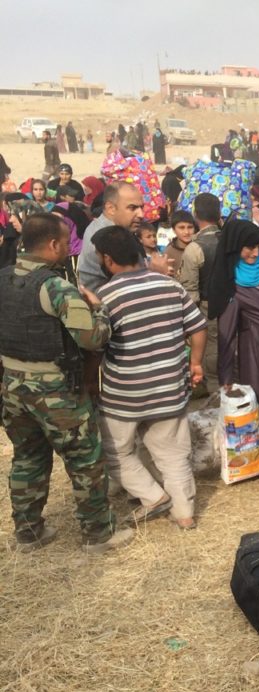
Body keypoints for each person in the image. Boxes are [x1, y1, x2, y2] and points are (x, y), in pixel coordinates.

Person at [0, 214, 133, 553]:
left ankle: (28, 532)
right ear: (55, 245)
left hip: (11, 385)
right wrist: (99, 310)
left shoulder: (2, 279)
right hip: (56, 392)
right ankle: (98, 533)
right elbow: (92, 338)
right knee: (84, 459)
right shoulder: (55, 286)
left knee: (28, 457)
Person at [92, 226, 207, 529]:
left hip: (124, 394)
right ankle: (184, 514)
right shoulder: (170, 286)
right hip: (170, 387)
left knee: (114, 451)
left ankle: (152, 496)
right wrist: (195, 363)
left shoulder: (105, 296)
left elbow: (95, 343)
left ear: (107, 259)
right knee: (173, 454)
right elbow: (197, 326)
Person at [205, 220, 259, 423]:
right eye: (250, 248)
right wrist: (225, 378)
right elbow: (226, 334)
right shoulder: (231, 286)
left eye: (258, 246)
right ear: (234, 247)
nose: (255, 252)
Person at [177, 193, 222, 392]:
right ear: (219, 213)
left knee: (211, 357)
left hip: (207, 308)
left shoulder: (194, 248)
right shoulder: (230, 239)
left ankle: (216, 399)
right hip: (233, 305)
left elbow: (190, 293)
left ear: (196, 215)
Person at [78, 182, 145, 292]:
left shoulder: (113, 229)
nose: (141, 214)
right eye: (132, 208)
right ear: (110, 208)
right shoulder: (110, 239)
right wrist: (157, 273)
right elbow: (134, 286)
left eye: (142, 207)